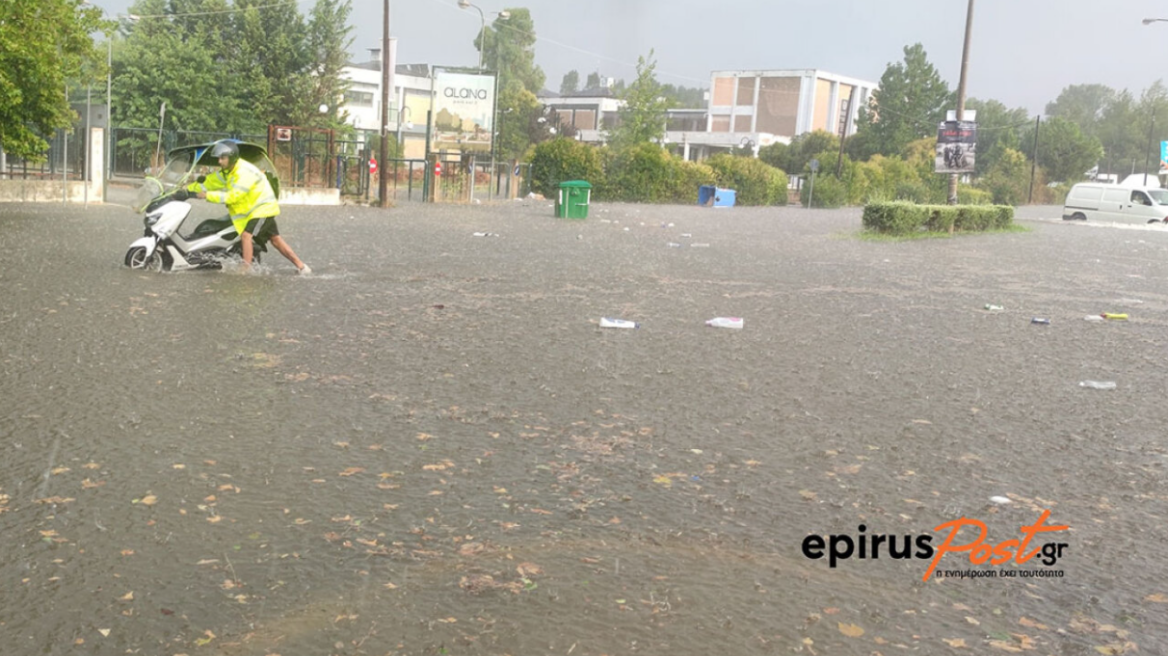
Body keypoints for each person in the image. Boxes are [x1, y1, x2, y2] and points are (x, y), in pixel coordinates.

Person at [186, 141, 310, 274]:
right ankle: (302, 267)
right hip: (255, 210)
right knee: (275, 240)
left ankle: (245, 270)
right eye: (219, 158)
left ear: (232, 157)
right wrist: (186, 190)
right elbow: (210, 182)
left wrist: (206, 195)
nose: (219, 162)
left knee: (246, 236)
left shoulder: (243, 172)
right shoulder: (228, 171)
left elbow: (232, 197)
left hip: (262, 209)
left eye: (222, 158)